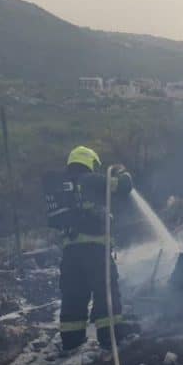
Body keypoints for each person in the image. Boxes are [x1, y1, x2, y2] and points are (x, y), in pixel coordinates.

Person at [56, 146, 134, 351]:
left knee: (74, 294)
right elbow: (125, 186)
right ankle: (111, 338)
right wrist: (121, 171)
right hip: (95, 250)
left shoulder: (61, 186)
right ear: (89, 162)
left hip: (70, 252)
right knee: (105, 291)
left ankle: (71, 341)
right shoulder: (91, 180)